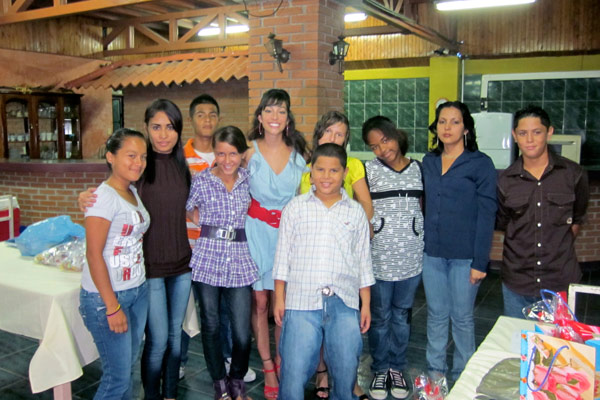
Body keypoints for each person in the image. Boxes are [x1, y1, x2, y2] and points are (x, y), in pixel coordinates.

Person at [79, 99, 192, 400]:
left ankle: (169, 394)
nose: (164, 134)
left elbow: (182, 208)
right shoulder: (138, 171)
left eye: (170, 127)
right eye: (156, 127)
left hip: (170, 271)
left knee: (170, 341)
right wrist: (83, 198)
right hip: (147, 274)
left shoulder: (179, 168)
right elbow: (105, 205)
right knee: (149, 349)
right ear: (146, 128)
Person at [273, 143, 375, 400]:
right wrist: (279, 297)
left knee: (345, 369)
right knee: (293, 371)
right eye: (320, 170)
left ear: (344, 174)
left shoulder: (355, 212)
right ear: (310, 172)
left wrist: (366, 304)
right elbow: (283, 256)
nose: (326, 177)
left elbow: (363, 261)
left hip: (344, 302)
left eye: (334, 171)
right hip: (301, 302)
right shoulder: (296, 208)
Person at [179, 94, 256, 384]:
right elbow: (186, 206)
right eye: (221, 154)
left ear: (241, 155)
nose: (226, 160)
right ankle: (219, 381)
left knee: (239, 329)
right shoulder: (202, 179)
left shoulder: (249, 179)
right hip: (207, 254)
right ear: (215, 154)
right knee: (210, 323)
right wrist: (204, 223)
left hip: (239, 255)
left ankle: (236, 375)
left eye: (233, 154)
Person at [299, 110, 373, 400]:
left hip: (344, 259)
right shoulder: (308, 168)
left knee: (346, 325)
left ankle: (349, 381)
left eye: (339, 134)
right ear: (319, 135)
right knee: (318, 318)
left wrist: (361, 236)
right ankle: (322, 376)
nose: (333, 138)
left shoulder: (352, 165)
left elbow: (365, 203)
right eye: (328, 132)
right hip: (314, 259)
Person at [422, 101, 497, 382]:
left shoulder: (480, 164)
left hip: (465, 257)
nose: (447, 127)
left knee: (462, 318)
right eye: (442, 121)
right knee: (436, 316)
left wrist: (481, 262)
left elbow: (487, 215)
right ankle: (435, 375)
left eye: (454, 121)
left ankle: (464, 376)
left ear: (466, 128)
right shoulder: (428, 162)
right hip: (433, 254)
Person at [243, 88, 308, 399]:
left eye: (281, 111)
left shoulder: (300, 156)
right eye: (269, 110)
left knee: (282, 305)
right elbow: (223, 180)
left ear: (288, 118)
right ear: (260, 116)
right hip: (255, 231)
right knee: (260, 303)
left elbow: (306, 197)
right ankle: (267, 365)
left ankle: (282, 360)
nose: (274, 117)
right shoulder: (248, 151)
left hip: (287, 237)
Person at [496, 105, 589, 318]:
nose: (529, 139)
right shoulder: (504, 180)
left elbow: (576, 220)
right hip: (517, 282)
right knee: (518, 343)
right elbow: (504, 224)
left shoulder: (573, 174)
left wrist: (556, 246)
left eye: (536, 132)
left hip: (559, 281)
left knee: (556, 346)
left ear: (549, 132)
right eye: (523, 133)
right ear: (514, 136)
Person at [80, 128, 150, 399]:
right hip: (108, 298)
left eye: (143, 156)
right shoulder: (103, 197)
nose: (138, 163)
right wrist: (111, 307)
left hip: (136, 290)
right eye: (131, 155)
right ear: (110, 157)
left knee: (127, 369)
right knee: (117, 380)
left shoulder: (131, 190)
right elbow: (93, 254)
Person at [362, 116, 424, 400]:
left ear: (396, 135)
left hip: (411, 260)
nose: (381, 149)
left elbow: (422, 208)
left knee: (401, 316)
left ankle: (397, 367)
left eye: (384, 141)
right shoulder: (368, 171)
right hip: (379, 260)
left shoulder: (419, 169)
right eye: (374, 146)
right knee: (381, 318)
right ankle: (379, 369)